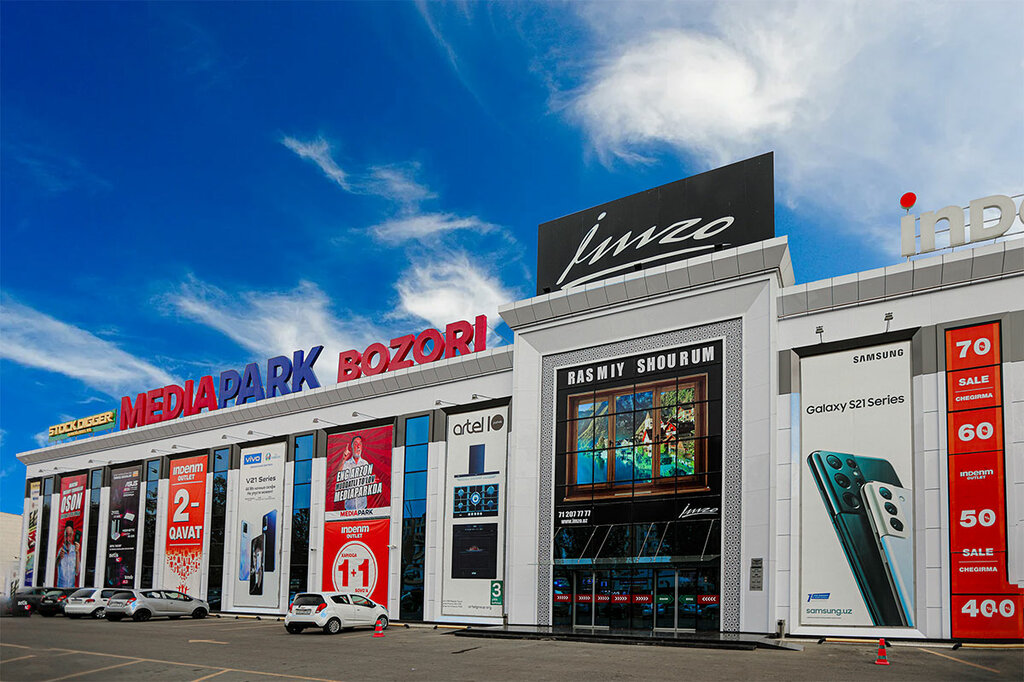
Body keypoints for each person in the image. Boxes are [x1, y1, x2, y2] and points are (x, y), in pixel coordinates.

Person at [341, 436, 370, 511]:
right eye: (356, 444)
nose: (358, 446)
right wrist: (343, 459)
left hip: (363, 508)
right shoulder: (347, 464)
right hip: (349, 509)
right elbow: (339, 475)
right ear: (351, 447)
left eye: (360, 444)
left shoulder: (365, 463)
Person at [55, 520, 80, 588]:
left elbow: (77, 572)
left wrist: (77, 553)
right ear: (64, 535)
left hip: (71, 587)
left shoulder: (75, 550)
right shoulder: (60, 550)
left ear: (73, 535)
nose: (68, 539)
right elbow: (55, 566)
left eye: (70, 535)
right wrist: (59, 557)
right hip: (60, 587)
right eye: (66, 535)